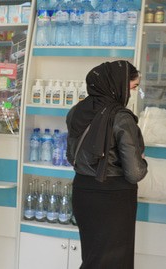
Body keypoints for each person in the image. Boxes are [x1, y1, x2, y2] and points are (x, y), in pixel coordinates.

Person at [66, 60, 148, 269]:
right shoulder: (120, 117)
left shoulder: (76, 111)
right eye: (133, 87)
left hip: (83, 192)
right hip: (113, 198)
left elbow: (71, 155)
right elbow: (135, 172)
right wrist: (144, 161)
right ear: (118, 85)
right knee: (114, 263)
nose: (132, 94)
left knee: (93, 258)